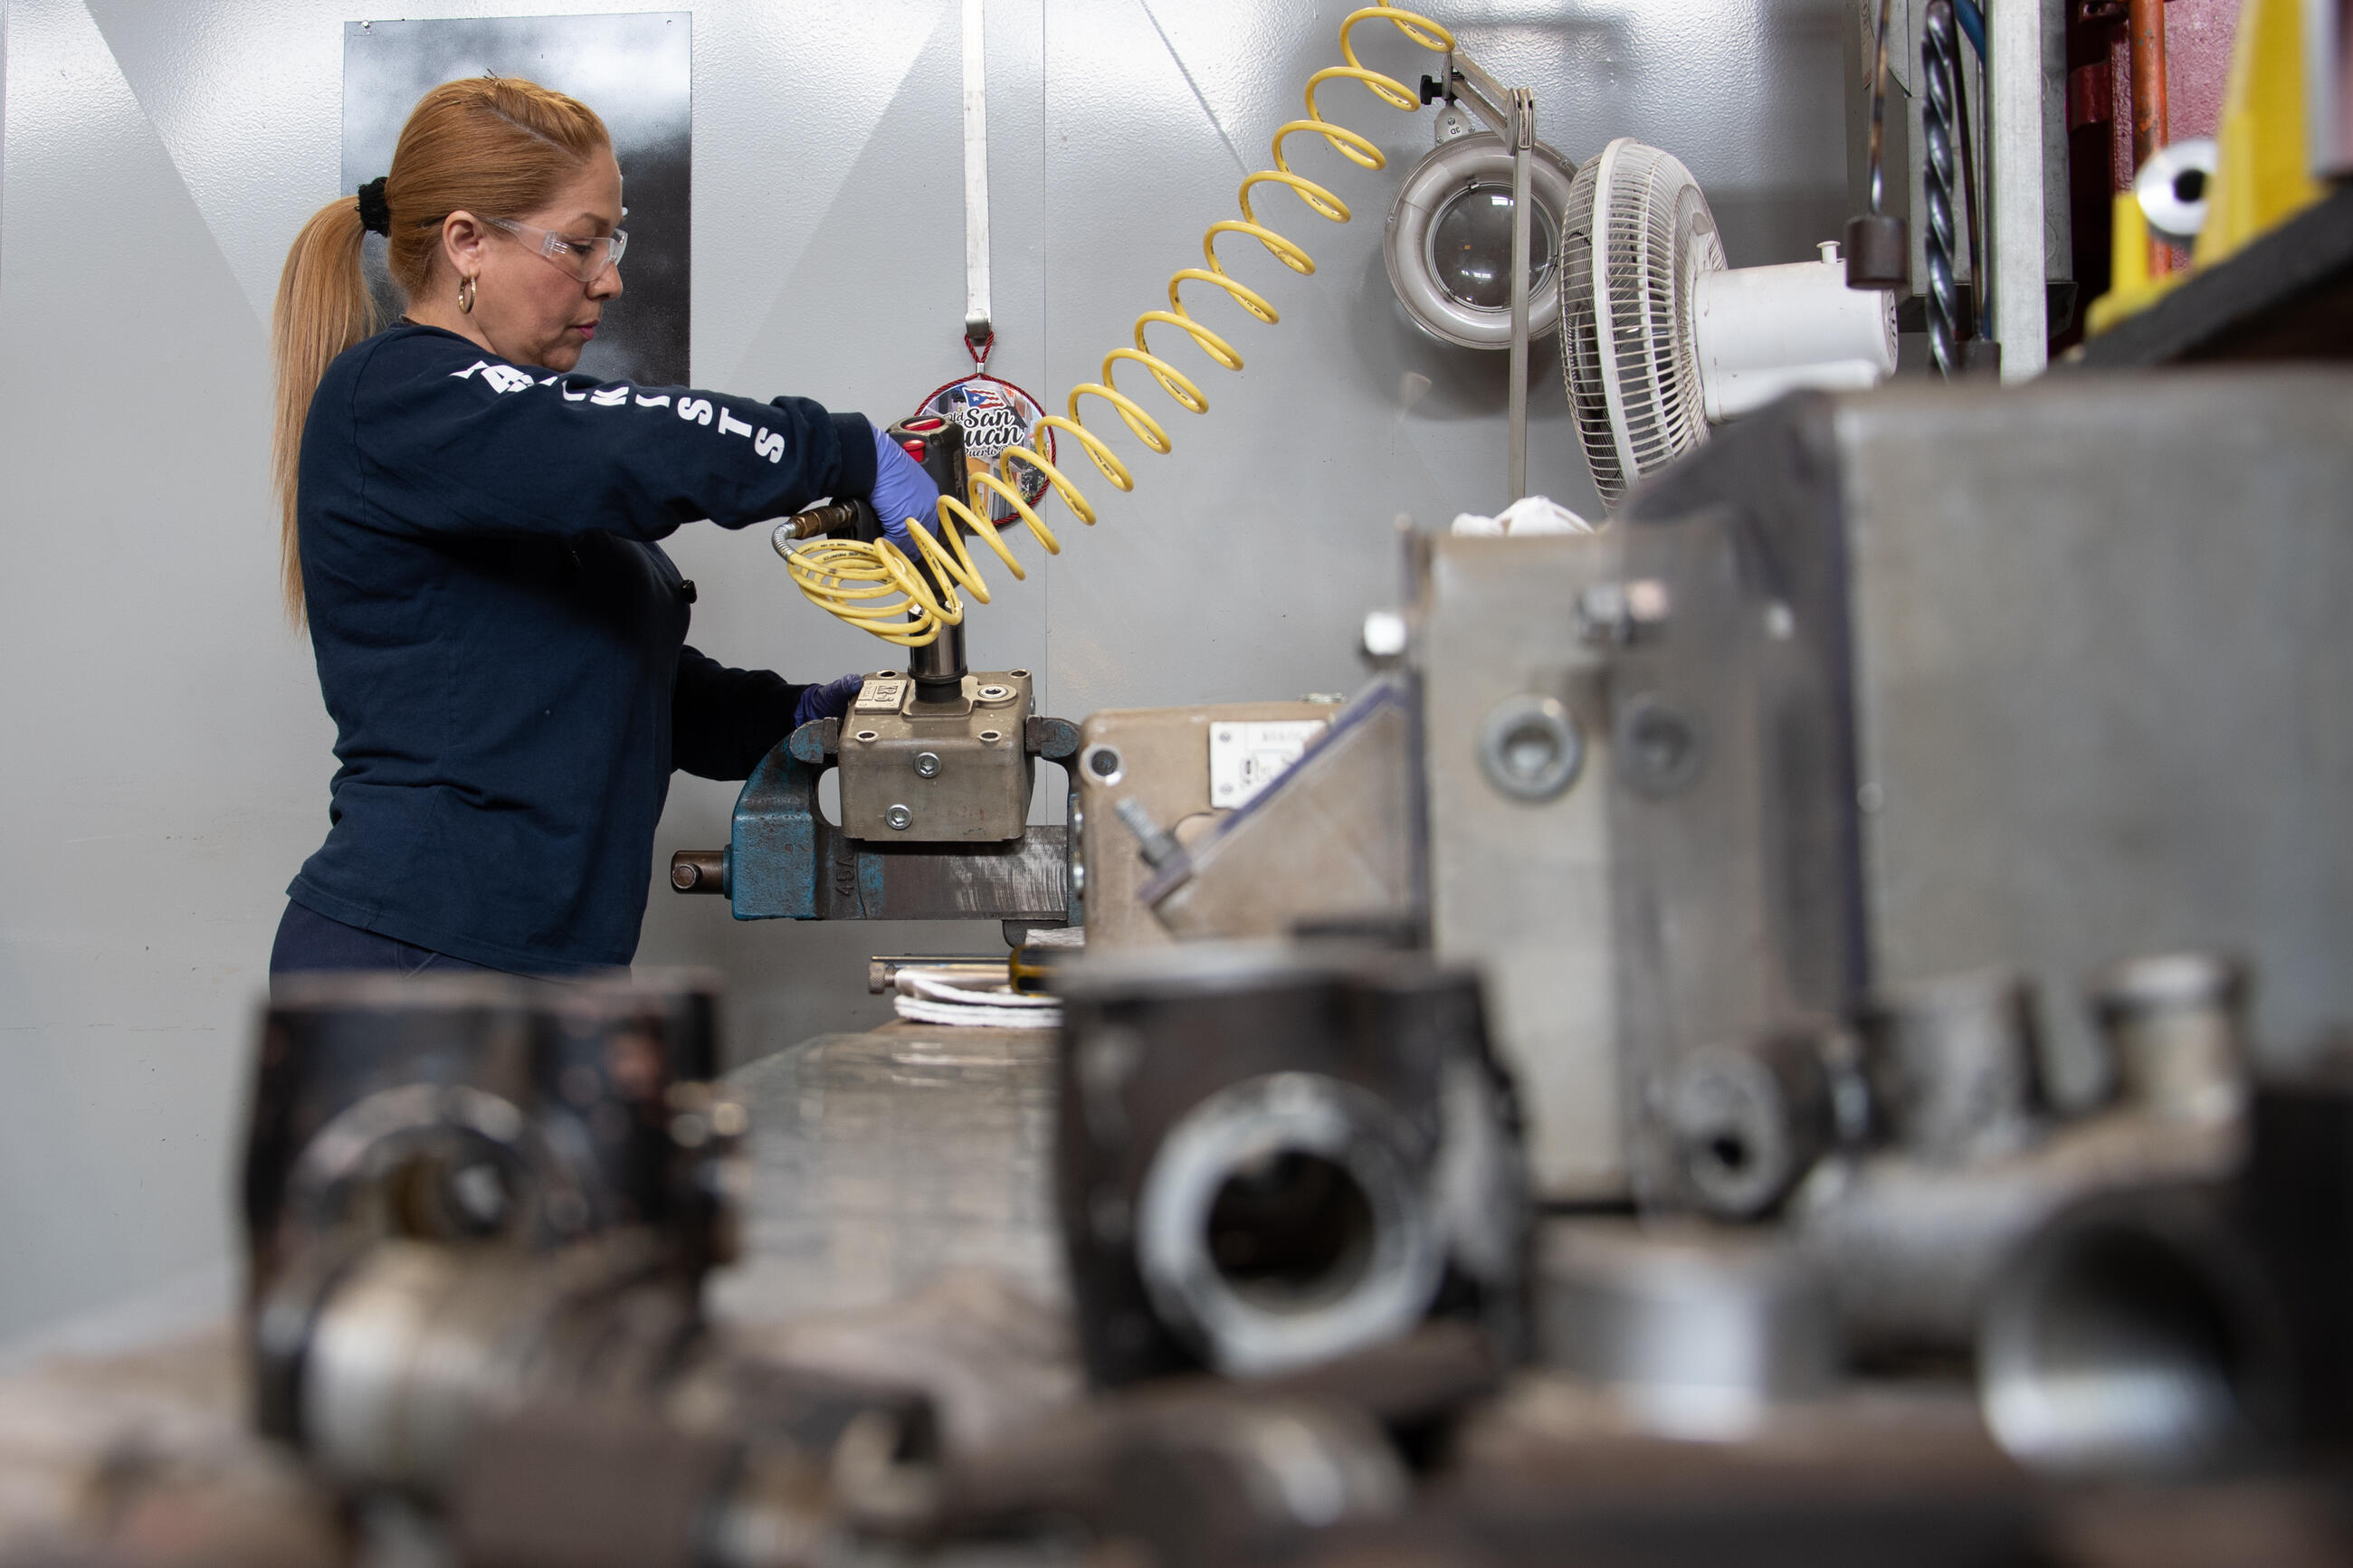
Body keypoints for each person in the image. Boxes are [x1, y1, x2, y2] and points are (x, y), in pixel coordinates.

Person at [266, 76, 940, 977]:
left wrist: (795, 718)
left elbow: (603, 682)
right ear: (467, 243)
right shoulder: (396, 397)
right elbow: (627, 445)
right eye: (580, 244)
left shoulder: (501, 452)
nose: (610, 277)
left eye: (610, 242)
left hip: (540, 964)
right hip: (421, 957)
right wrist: (838, 451)